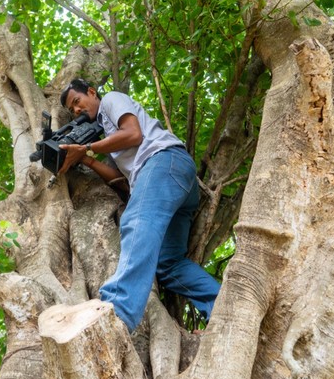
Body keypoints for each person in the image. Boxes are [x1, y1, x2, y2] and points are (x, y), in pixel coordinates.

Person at [58, 79, 220, 332]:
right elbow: (122, 184)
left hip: (164, 161)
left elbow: (134, 134)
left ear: (91, 92)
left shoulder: (111, 99)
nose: (77, 110)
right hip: (172, 183)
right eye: (72, 110)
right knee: (168, 264)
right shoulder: (109, 138)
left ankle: (118, 310)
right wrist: (86, 159)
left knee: (136, 219)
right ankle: (222, 309)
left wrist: (87, 147)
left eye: (77, 102)